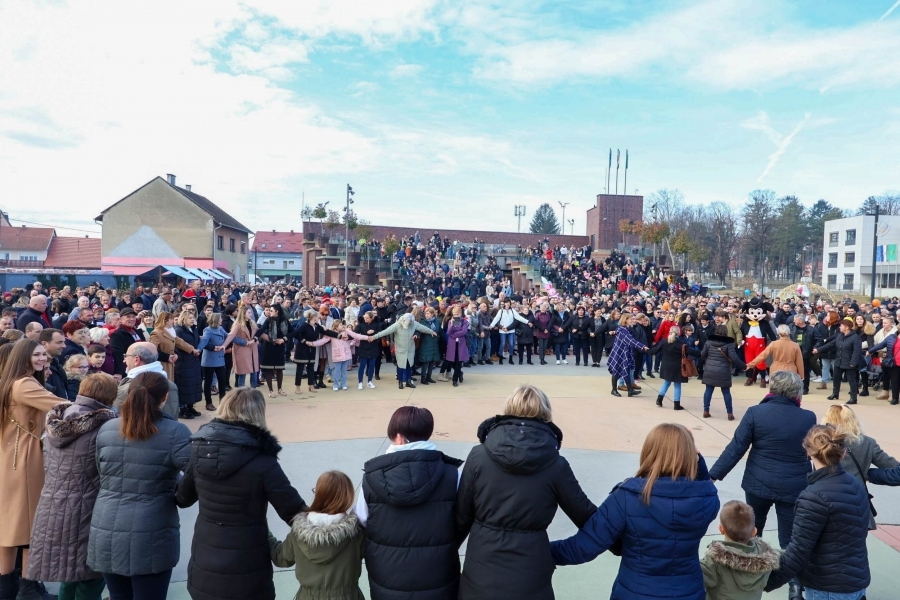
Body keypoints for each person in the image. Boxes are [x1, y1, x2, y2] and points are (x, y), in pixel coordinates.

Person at [456, 385, 596, 600]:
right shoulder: (556, 465)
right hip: (531, 573)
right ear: (545, 413)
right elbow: (586, 516)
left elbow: (460, 518)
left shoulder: (478, 456)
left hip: (481, 571)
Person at [550, 423, 719, 600]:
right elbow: (705, 485)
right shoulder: (707, 501)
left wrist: (538, 550)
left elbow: (583, 548)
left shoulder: (627, 497)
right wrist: (697, 459)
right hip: (689, 592)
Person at [175, 387, 307, 600]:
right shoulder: (263, 460)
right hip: (248, 563)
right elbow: (294, 512)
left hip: (206, 558)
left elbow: (183, 498)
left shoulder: (199, 450)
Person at [709, 371, 816, 600]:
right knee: (790, 541)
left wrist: (713, 476)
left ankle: (746, 579)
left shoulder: (756, 413)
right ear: (796, 392)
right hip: (794, 486)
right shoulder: (808, 418)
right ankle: (795, 587)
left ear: (772, 388)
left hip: (758, 483)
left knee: (750, 534)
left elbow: (736, 448)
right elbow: (812, 453)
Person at [88, 371, 191, 600]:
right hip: (152, 529)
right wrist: (180, 495)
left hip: (106, 526)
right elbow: (196, 475)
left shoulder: (107, 429)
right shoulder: (176, 432)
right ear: (164, 397)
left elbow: (100, 470)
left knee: (119, 595)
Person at [26, 373, 118, 600]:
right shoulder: (106, 427)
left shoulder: (58, 419)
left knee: (70, 571)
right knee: (92, 574)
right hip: (89, 504)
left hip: (53, 503)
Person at [357, 406, 463, 599]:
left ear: (398, 437)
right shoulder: (452, 473)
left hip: (387, 575)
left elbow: (362, 520)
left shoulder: (372, 477)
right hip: (438, 572)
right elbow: (462, 518)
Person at [764, 425, 870, 600]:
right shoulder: (855, 484)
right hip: (856, 581)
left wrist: (766, 583)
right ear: (843, 453)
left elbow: (798, 551)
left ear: (809, 452)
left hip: (828, 587)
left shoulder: (813, 497)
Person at [0, 340, 69, 600]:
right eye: (37, 355)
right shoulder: (25, 383)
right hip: (26, 461)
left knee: (9, 530)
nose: (43, 359)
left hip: (10, 460)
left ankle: (9, 590)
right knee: (30, 528)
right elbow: (62, 406)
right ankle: (28, 588)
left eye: (44, 355)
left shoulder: (11, 382)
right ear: (23, 357)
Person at [270, 471, 364, 600]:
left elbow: (280, 558)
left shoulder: (298, 533)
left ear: (319, 495)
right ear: (347, 497)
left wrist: (262, 530)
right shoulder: (356, 533)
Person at [822, 404, 898, 529]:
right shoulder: (867, 443)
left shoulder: (821, 442)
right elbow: (895, 467)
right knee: (856, 546)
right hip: (857, 504)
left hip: (826, 503)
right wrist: (869, 474)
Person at [700, 501, 780, 600]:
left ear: (721, 529)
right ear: (754, 531)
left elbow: (692, 580)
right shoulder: (765, 555)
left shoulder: (713, 561)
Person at [371, 313, 438, 390]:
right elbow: (386, 331)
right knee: (401, 366)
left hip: (410, 349)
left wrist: (431, 331)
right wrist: (374, 337)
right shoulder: (397, 325)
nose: (409, 324)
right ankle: (400, 382)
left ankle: (408, 381)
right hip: (400, 349)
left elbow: (422, 328)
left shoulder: (413, 323)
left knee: (409, 365)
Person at [114, 341, 180, 419]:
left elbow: (119, 419)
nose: (124, 360)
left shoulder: (127, 388)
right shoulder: (170, 385)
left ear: (136, 359)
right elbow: (174, 415)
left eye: (126, 356)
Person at [700, 324, 746, 420]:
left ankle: (706, 411)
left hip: (710, 369)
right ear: (726, 332)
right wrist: (744, 366)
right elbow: (734, 358)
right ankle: (730, 413)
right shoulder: (728, 344)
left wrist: (709, 360)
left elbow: (703, 355)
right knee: (726, 392)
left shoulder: (709, 342)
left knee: (708, 390)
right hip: (723, 370)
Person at [650, 325, 700, 410]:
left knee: (666, 383)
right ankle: (676, 404)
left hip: (666, 365)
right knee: (677, 385)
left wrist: (644, 349)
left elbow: (653, 351)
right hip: (677, 367)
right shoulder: (682, 344)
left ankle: (659, 399)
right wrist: (705, 353)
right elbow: (694, 352)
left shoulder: (664, 342)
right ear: (679, 333)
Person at [813, 317, 862, 404]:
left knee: (852, 380)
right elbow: (831, 344)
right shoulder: (840, 335)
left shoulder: (855, 337)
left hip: (849, 363)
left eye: (841, 326)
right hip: (838, 361)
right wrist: (818, 349)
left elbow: (857, 351)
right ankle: (835, 394)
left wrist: (853, 363)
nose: (840, 327)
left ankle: (853, 398)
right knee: (836, 379)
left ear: (847, 327)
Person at [607, 314, 649, 397]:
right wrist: (643, 346)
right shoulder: (623, 330)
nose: (632, 320)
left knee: (626, 370)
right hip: (619, 353)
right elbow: (631, 341)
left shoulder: (626, 329)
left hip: (625, 352)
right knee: (616, 370)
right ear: (625, 320)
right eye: (630, 319)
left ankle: (630, 390)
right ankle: (614, 389)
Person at [174, 309, 203, 419]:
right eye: (190, 318)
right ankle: (182, 409)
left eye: (193, 318)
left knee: (194, 384)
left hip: (194, 360)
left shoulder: (193, 329)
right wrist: (191, 351)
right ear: (183, 318)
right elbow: (179, 345)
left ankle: (191, 406)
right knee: (185, 385)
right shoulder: (178, 330)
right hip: (183, 361)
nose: (192, 320)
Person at [197, 311, 228, 410]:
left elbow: (230, 337)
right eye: (220, 318)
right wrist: (198, 350)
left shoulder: (221, 329)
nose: (222, 320)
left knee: (222, 381)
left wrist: (244, 342)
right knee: (208, 382)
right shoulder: (208, 330)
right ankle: (208, 403)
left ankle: (222, 402)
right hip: (209, 361)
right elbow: (204, 341)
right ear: (216, 320)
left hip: (219, 359)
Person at [148, 311, 192, 382]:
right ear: (165, 321)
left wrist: (192, 350)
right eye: (171, 319)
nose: (173, 320)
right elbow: (152, 350)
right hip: (162, 364)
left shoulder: (171, 331)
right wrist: (167, 356)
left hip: (170, 363)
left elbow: (180, 342)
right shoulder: (156, 333)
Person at [258, 304, 290, 397]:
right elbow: (261, 330)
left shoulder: (284, 321)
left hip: (279, 346)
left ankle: (280, 389)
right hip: (269, 346)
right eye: (268, 310)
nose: (269, 312)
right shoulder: (268, 320)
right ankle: (271, 391)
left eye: (271, 311)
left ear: (277, 311)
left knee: (279, 369)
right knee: (269, 370)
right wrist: (254, 338)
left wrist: (284, 339)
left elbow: (292, 331)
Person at [226, 306, 259, 389]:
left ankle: (253, 391)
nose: (251, 314)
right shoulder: (237, 324)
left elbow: (260, 333)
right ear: (243, 314)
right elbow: (231, 336)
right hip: (242, 350)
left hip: (253, 350)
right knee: (242, 373)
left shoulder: (252, 323)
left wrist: (272, 340)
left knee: (254, 371)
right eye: (249, 313)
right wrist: (224, 345)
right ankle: (241, 392)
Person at [445, 306, 469, 386]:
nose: (455, 316)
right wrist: (451, 325)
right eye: (454, 314)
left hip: (461, 344)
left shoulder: (464, 321)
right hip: (452, 344)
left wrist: (454, 334)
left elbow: (464, 331)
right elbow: (449, 331)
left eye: (457, 314)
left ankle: (455, 380)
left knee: (459, 362)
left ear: (461, 314)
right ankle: (460, 373)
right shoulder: (450, 321)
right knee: (452, 362)